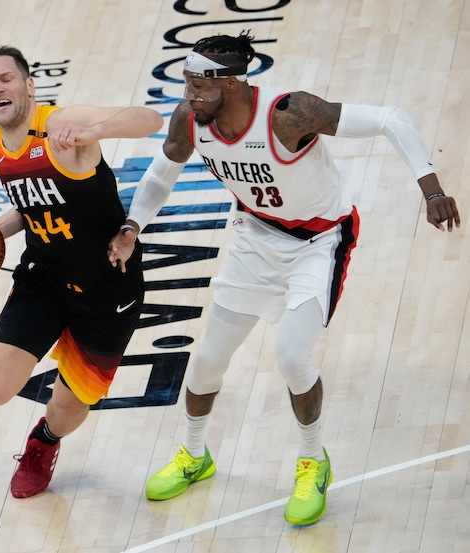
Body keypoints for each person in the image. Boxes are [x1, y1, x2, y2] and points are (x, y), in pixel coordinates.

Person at [108, 32, 460, 525]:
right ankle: (194, 455)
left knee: (293, 357)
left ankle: (313, 462)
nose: (188, 96)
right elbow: (162, 172)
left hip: (318, 243)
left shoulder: (289, 114)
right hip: (255, 238)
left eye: (197, 86)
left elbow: (391, 118)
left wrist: (431, 189)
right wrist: (132, 228)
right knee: (207, 360)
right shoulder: (191, 118)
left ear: (231, 83)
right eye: (186, 84)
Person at [0, 45, 163, 499]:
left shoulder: (58, 123)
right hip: (44, 279)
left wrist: (93, 131)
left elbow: (149, 119)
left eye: (6, 78)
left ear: (29, 85)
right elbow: (32, 205)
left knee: (70, 407)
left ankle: (43, 442)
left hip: (107, 289)